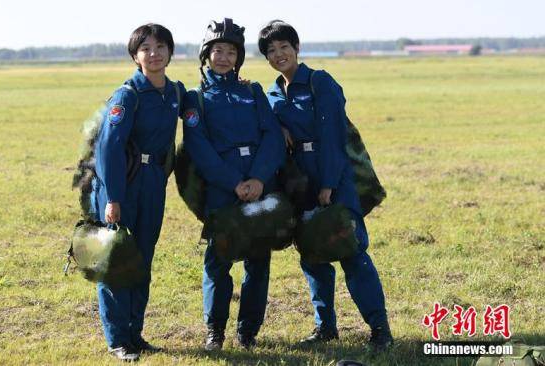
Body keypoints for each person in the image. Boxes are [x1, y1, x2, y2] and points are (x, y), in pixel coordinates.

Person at [258, 20, 393, 351]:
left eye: (284, 47)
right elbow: (266, 128)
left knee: (352, 252)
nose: (279, 55)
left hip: (333, 177)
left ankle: (379, 329)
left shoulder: (320, 83)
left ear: (297, 47)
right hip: (299, 184)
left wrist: (329, 184)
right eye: (271, 51)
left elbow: (334, 136)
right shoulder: (272, 93)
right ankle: (325, 326)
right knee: (313, 256)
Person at [182, 18, 285, 350]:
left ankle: (249, 332)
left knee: (258, 261)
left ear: (238, 57)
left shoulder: (252, 91)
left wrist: (258, 178)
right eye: (217, 51)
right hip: (222, 191)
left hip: (259, 186)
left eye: (230, 52)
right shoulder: (196, 98)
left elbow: (271, 136)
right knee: (218, 262)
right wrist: (233, 183)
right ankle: (215, 331)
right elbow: (199, 147)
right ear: (206, 55)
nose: (223, 57)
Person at [90, 23, 186, 361]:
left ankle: (135, 333)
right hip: (123, 184)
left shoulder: (175, 93)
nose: (154, 53)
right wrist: (113, 198)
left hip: (154, 184)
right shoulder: (127, 95)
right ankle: (118, 340)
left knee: (142, 259)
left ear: (170, 52)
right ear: (135, 56)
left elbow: (207, 105)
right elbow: (108, 149)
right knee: (117, 260)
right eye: (146, 48)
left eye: (161, 47)